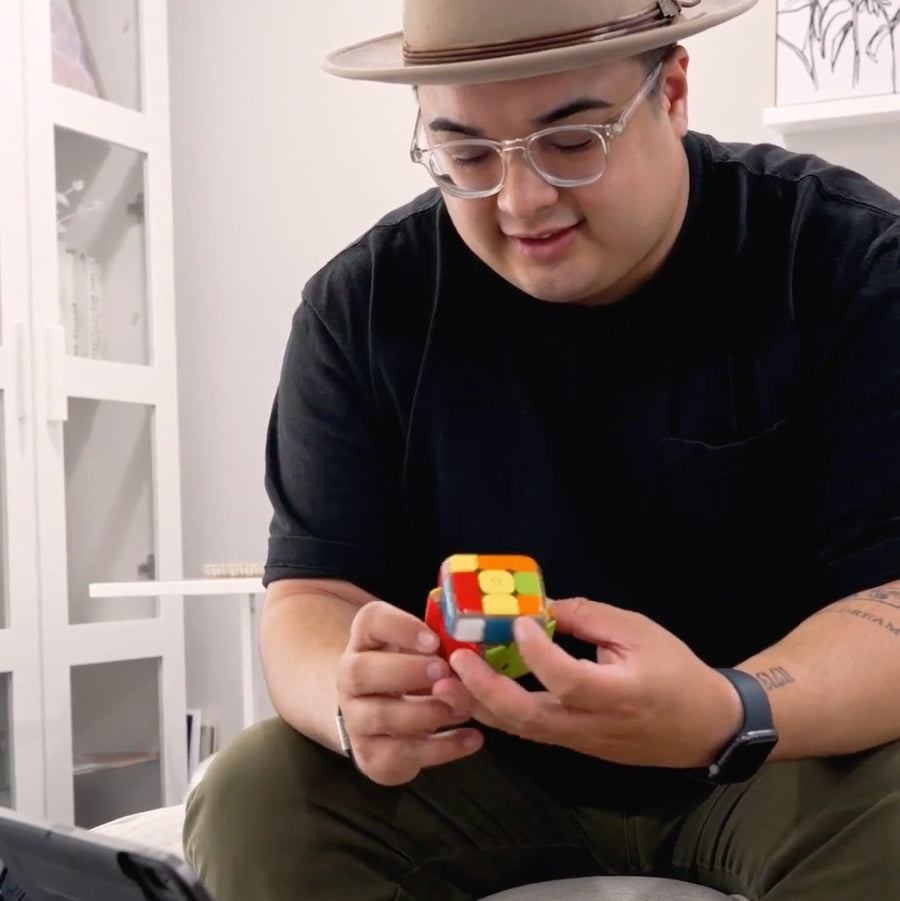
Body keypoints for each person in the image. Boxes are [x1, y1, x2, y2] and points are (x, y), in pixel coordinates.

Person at [183, 0, 900, 898]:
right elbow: (313, 591)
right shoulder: (364, 308)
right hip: (484, 762)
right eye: (468, 157)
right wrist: (351, 696)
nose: (521, 203)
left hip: (774, 749)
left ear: (672, 92)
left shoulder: (846, 259)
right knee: (257, 795)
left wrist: (728, 708)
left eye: (572, 143)